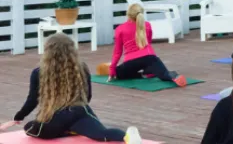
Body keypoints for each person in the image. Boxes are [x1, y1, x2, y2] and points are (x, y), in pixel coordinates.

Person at [0, 34, 143, 143]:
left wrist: (18, 117)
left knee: (30, 128)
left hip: (54, 116)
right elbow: (88, 96)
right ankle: (128, 136)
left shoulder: (39, 72)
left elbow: (32, 100)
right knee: (103, 134)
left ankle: (67, 130)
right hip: (80, 111)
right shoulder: (82, 67)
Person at [108, 3, 187, 87]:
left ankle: (144, 74)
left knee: (118, 73)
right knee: (164, 74)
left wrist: (112, 70)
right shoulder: (147, 25)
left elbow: (117, 52)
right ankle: (174, 76)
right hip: (150, 57)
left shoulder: (120, 29)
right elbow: (148, 43)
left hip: (131, 61)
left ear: (128, 14)